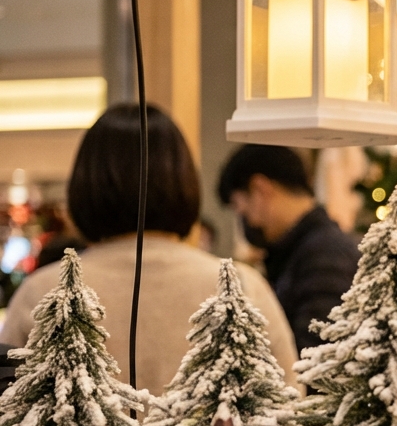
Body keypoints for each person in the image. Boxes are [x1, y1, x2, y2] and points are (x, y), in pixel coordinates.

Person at [0, 105, 297, 395]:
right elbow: (289, 409)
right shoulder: (240, 286)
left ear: (84, 184)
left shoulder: (43, 292)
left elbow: (9, 419)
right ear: (185, 181)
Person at [218, 144, 360, 354]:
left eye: (240, 208)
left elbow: (315, 358)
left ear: (260, 190)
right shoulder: (310, 249)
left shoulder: (323, 257)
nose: (245, 222)